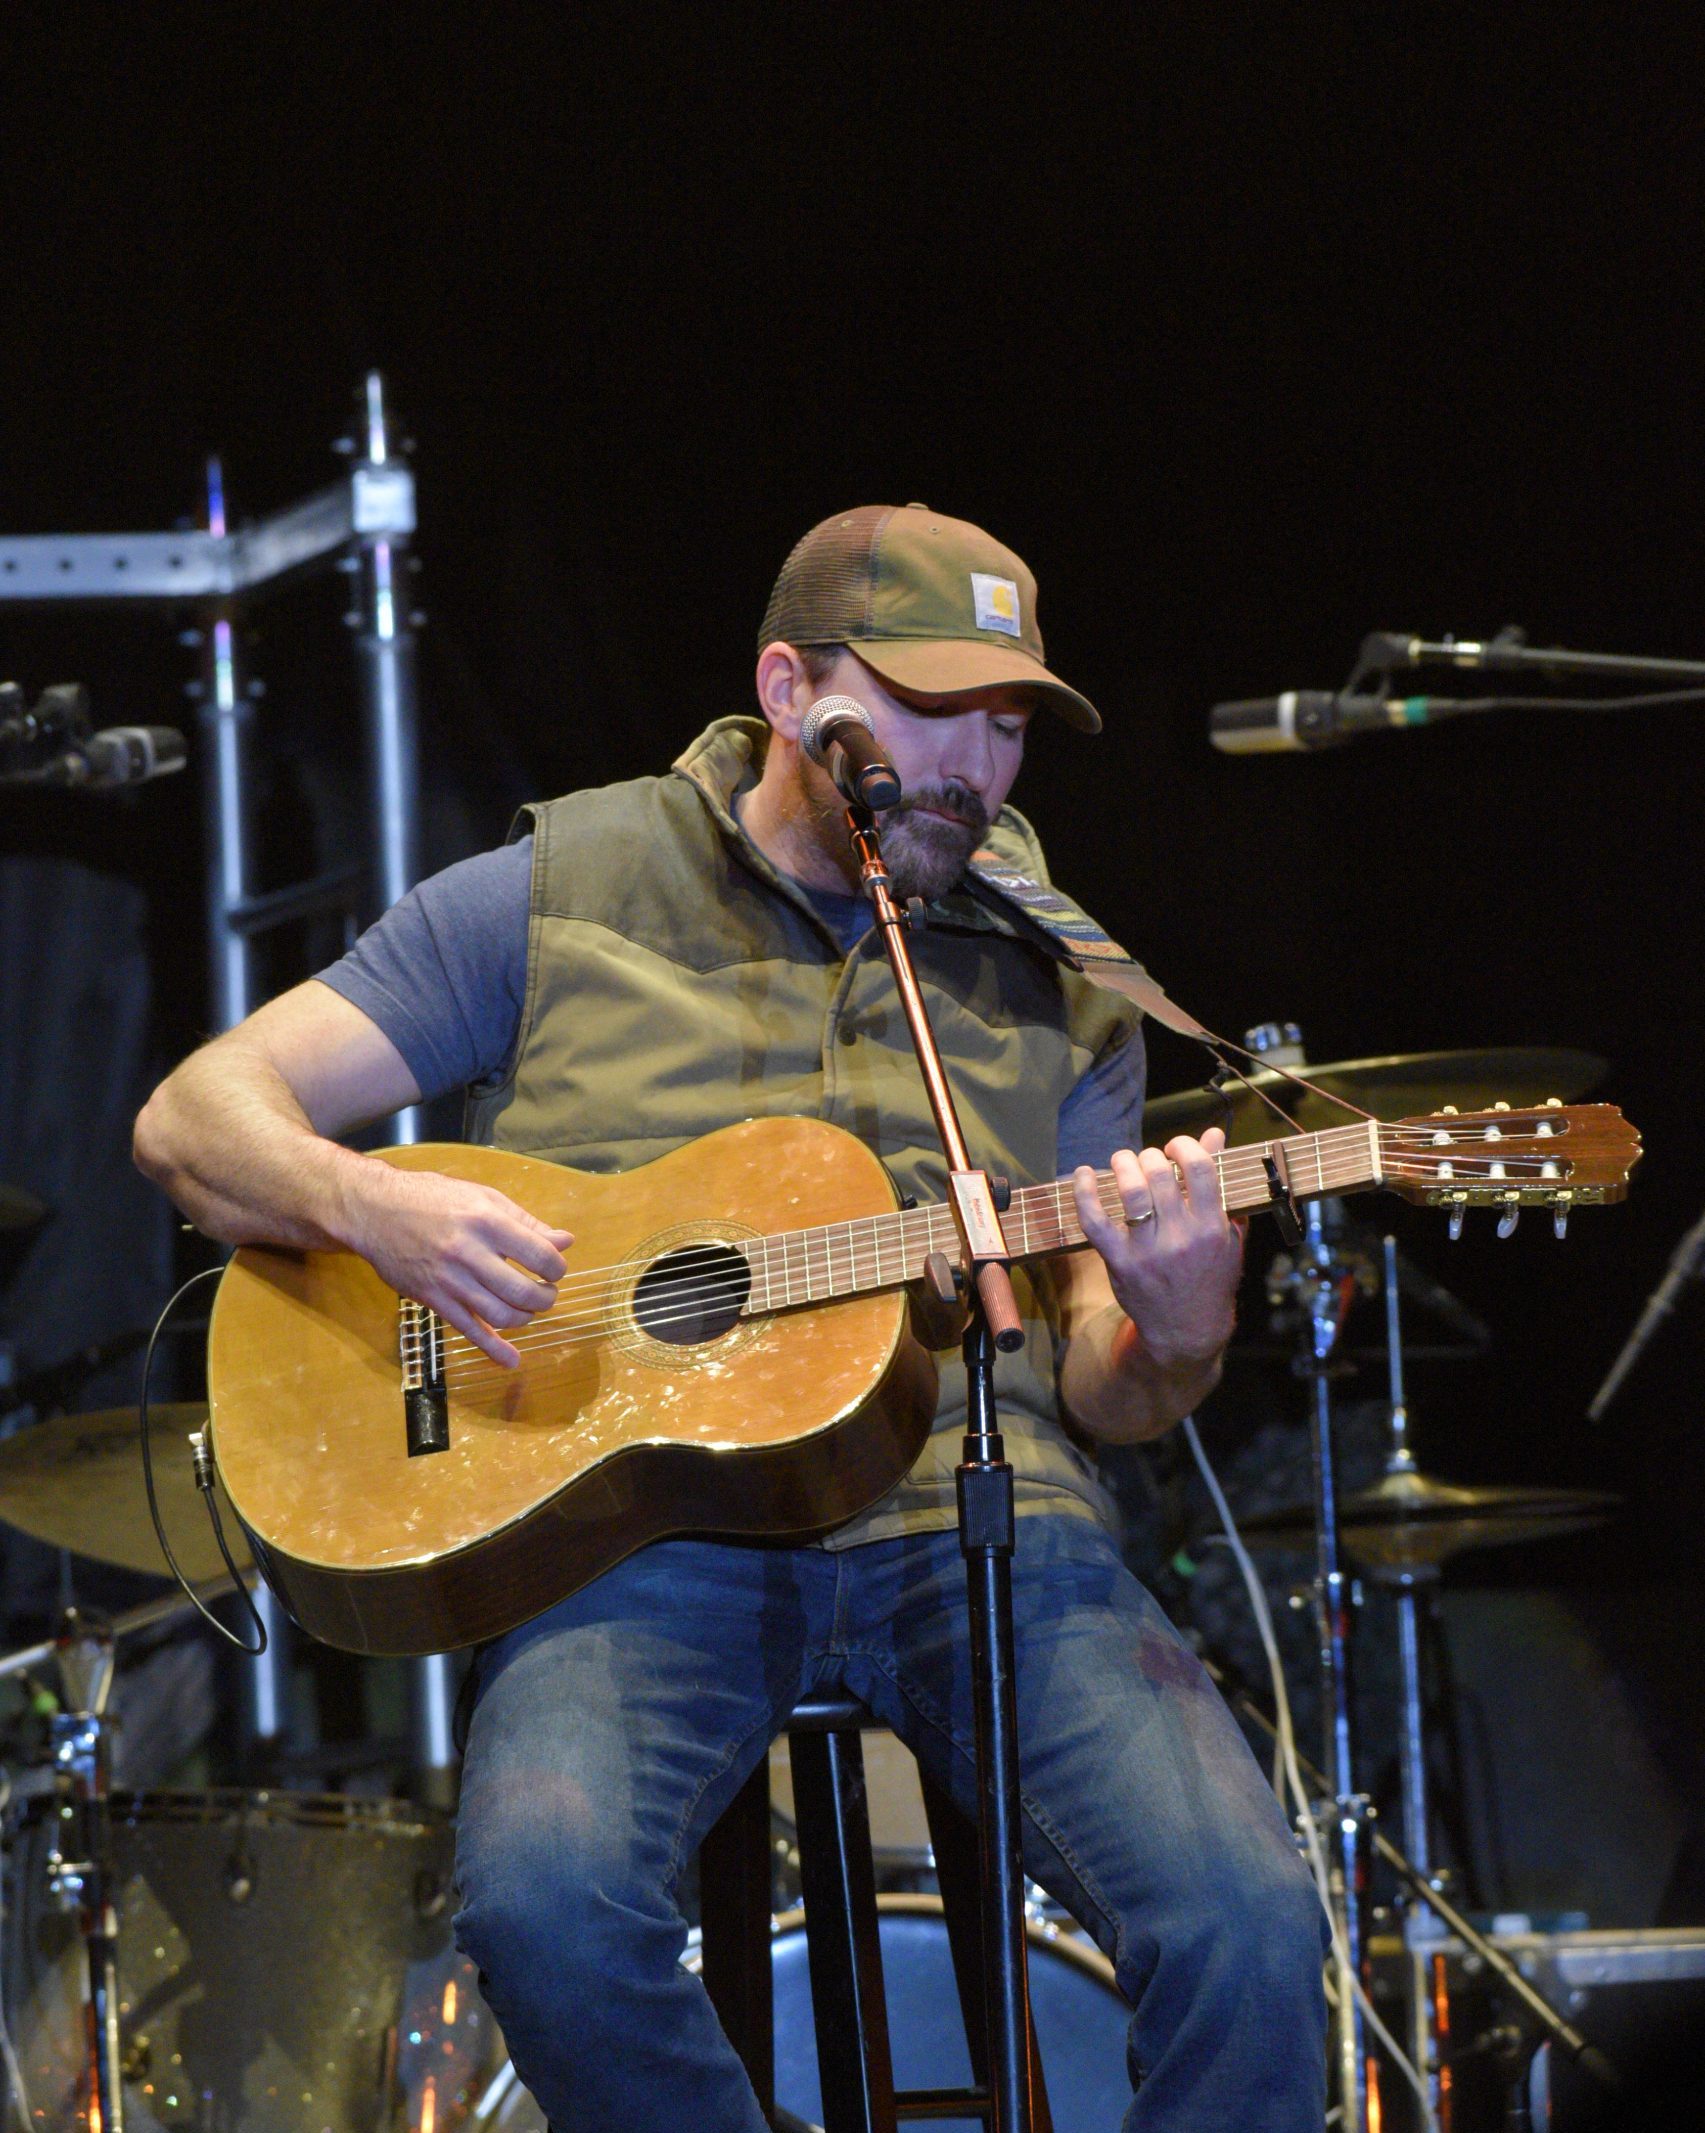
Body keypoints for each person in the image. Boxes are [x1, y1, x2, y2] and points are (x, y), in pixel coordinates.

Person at [134, 503, 1326, 2129]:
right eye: (927, 707)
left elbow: (1115, 1380)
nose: (974, 764)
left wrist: (1182, 1322)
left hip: (981, 1503)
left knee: (1251, 1927)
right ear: (788, 687)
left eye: (1005, 722)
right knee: (546, 1910)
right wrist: (370, 1204)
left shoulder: (1061, 968)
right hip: (631, 1524)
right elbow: (198, 1115)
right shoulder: (566, 880)